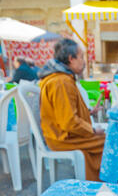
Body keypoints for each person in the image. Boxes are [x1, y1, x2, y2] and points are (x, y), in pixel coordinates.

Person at [39, 38, 105, 181]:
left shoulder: (61, 78)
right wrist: (92, 130)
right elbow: (68, 122)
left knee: (104, 139)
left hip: (62, 133)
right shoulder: (61, 82)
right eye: (81, 56)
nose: (84, 61)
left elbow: (64, 112)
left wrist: (88, 112)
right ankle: (102, 184)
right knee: (110, 140)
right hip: (63, 138)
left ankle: (94, 181)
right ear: (71, 59)